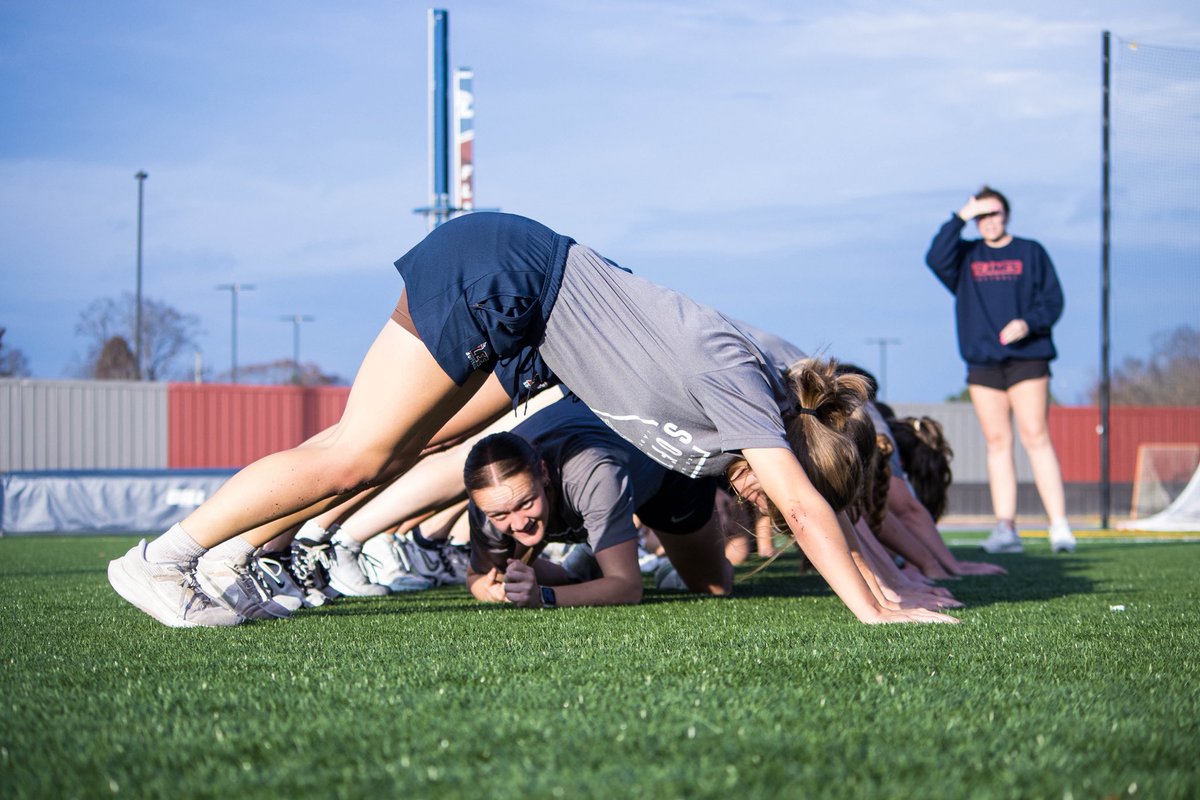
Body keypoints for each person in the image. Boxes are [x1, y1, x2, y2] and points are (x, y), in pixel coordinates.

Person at [109, 211, 956, 626]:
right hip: (507, 276)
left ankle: (234, 562)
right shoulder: (742, 384)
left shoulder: (763, 402)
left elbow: (818, 504)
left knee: (392, 452)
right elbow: (809, 510)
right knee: (357, 454)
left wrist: (892, 581)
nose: (764, 500)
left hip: (534, 329)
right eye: (775, 486)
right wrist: (876, 612)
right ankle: (165, 558)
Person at [463, 399, 731, 608]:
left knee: (714, 588)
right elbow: (482, 575)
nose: (519, 522)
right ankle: (594, 557)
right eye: (500, 514)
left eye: (525, 503)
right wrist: (486, 589)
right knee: (519, 564)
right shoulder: (489, 498)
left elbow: (628, 588)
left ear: (543, 473)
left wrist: (544, 596)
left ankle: (653, 563)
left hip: (664, 471)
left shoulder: (591, 473)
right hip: (598, 485)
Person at [925, 187, 1076, 555]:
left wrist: (1029, 323)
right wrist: (960, 215)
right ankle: (1006, 529)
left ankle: (1059, 526)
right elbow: (934, 256)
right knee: (997, 443)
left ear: (1006, 215)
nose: (989, 222)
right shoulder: (964, 257)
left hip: (1028, 358)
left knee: (1035, 435)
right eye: (981, 216)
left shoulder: (1030, 251)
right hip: (983, 362)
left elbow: (1053, 300)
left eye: (994, 213)